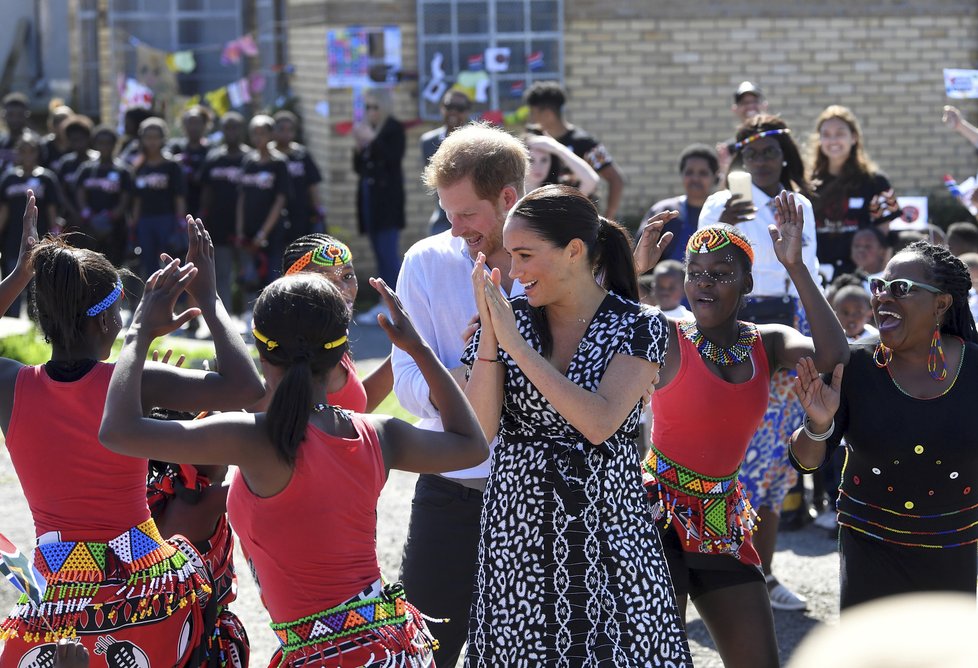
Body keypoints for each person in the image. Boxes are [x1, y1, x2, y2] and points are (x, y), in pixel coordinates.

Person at [98, 267, 490, 668]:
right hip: (391, 650)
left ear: (261, 350)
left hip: (326, 657)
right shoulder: (376, 434)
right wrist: (416, 347)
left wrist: (140, 330)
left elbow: (117, 431)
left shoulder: (252, 438)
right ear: (341, 356)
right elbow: (471, 446)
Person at [0, 203, 265, 665]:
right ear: (106, 322)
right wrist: (210, 297)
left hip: (55, 593)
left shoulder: (12, 388)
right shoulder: (137, 382)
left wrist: (21, 273)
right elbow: (247, 386)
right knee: (213, 602)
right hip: (143, 588)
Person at [463, 184, 691, 665]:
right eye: (509, 254)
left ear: (573, 251)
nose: (514, 270)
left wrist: (516, 348)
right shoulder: (507, 319)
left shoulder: (640, 324)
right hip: (518, 531)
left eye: (525, 254)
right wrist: (490, 336)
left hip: (609, 530)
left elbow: (599, 423)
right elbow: (479, 432)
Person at [641, 198, 848, 667]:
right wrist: (632, 269)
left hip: (723, 516)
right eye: (696, 273)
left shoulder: (767, 340)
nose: (704, 284)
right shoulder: (666, 334)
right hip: (658, 514)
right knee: (663, 659)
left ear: (748, 283)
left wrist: (795, 268)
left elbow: (834, 360)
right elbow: (600, 325)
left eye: (721, 273)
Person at [392, 122, 528, 668]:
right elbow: (406, 385)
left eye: (468, 213)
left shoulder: (566, 259)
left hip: (535, 495)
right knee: (427, 653)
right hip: (451, 491)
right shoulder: (426, 261)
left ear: (509, 198)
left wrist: (475, 373)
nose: (455, 227)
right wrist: (477, 368)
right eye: (448, 213)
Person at [791, 241, 978, 610]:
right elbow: (806, 461)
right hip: (868, 547)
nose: (882, 298)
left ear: (941, 304)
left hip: (954, 548)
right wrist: (818, 424)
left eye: (901, 289)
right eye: (879, 286)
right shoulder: (856, 367)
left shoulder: (975, 369)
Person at [699, 113, 820, 611]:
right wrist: (722, 223)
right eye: (752, 152)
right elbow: (698, 267)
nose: (762, 160)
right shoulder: (718, 203)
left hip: (783, 331)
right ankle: (712, 575)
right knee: (723, 461)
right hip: (728, 330)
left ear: (784, 155)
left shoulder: (798, 205)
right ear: (741, 158)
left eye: (770, 152)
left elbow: (807, 273)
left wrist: (808, 346)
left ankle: (763, 574)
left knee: (772, 465)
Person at [280, 233, 393, 413]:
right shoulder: (299, 345)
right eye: (326, 280)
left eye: (347, 276)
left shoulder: (328, 334)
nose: (343, 289)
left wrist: (407, 349)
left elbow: (351, 407)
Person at [807, 105, 900, 279]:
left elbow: (883, 237)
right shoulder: (806, 184)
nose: (833, 140)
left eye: (840, 133)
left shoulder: (877, 182)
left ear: (854, 137)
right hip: (816, 276)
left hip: (860, 278)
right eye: (826, 134)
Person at [524, 81, 626, 220]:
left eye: (534, 113)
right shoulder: (537, 143)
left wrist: (608, 219)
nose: (531, 119)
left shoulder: (585, 144)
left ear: (548, 114)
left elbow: (616, 179)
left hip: (580, 222)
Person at [352, 89, 405, 324]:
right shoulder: (370, 131)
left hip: (387, 202)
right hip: (369, 199)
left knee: (388, 254)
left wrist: (372, 141)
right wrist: (358, 147)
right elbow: (359, 168)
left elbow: (393, 158)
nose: (371, 112)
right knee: (378, 253)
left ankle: (394, 304)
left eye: (375, 107)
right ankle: (384, 300)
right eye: (367, 107)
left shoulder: (393, 129)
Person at [0, 133, 61, 317]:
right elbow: (4, 211)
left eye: (31, 151)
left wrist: (54, 236)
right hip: (13, 240)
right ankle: (12, 327)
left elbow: (52, 211)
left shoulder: (46, 178)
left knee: (37, 287)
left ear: (38, 153)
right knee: (13, 281)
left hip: (39, 239)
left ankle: (34, 328)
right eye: (23, 151)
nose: (27, 155)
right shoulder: (9, 177)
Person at [637, 144, 720, 265]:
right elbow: (638, 259)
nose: (695, 178)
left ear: (715, 177)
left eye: (703, 173)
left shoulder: (721, 212)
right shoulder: (664, 212)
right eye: (689, 172)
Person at [236, 114, 290, 300]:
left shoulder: (279, 163)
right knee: (250, 276)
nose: (258, 137)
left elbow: (280, 200)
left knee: (272, 277)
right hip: (250, 231)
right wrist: (240, 230)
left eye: (262, 133)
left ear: (271, 134)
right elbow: (242, 197)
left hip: (271, 232)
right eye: (254, 133)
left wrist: (263, 233)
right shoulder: (248, 161)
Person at [200, 111, 248, 311]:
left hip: (246, 227)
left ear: (242, 130)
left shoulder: (250, 158)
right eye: (227, 127)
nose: (231, 132)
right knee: (222, 274)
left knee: (247, 273)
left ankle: (250, 316)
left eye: (235, 127)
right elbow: (206, 191)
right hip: (218, 225)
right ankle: (225, 317)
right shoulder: (214, 158)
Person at [131, 117, 187, 281]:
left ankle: (177, 302)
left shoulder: (172, 165)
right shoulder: (139, 166)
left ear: (163, 138)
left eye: (156, 137)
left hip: (167, 219)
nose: (152, 141)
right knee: (149, 264)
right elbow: (136, 199)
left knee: (171, 263)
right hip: (145, 221)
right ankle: (154, 301)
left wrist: (180, 223)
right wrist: (134, 224)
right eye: (148, 137)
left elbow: (179, 196)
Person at [73, 125, 133, 265]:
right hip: (90, 225)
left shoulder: (123, 171)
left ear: (114, 144)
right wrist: (86, 213)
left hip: (115, 227)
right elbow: (80, 192)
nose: (105, 146)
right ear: (95, 144)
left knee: (115, 265)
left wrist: (112, 215)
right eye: (101, 142)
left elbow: (126, 198)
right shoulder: (86, 169)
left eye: (108, 143)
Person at [420, 90, 471, 235]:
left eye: (459, 108)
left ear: (467, 111)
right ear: (442, 108)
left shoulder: (476, 140)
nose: (453, 112)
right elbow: (432, 180)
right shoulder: (428, 141)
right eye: (449, 106)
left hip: (470, 213)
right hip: (442, 215)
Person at [273, 110, 325, 244]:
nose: (286, 133)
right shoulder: (269, 157)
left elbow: (312, 184)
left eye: (290, 129)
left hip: (301, 214)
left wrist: (318, 210)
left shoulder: (301, 155)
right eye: (281, 129)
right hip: (275, 216)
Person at [716, 81, 768, 186]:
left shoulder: (778, 140)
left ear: (764, 105)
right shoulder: (729, 149)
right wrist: (726, 169)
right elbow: (723, 191)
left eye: (755, 101)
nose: (750, 106)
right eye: (744, 103)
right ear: (735, 109)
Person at [522, 127, 599, 195]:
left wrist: (558, 149)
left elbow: (591, 181)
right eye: (531, 160)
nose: (538, 168)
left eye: (544, 160)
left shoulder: (560, 193)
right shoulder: (512, 192)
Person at [167, 105, 212, 218]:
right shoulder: (174, 147)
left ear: (205, 125)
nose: (193, 127)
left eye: (197, 122)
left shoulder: (212, 150)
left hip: (204, 208)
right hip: (175, 208)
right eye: (189, 122)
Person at [0, 93, 31, 174]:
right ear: (3, 116)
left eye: (19, 115)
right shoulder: (1, 142)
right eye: (10, 115)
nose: (15, 120)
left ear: (26, 115)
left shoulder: (35, 144)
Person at [40, 103, 75, 168]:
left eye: (65, 121)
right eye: (57, 121)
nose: (61, 125)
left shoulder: (78, 145)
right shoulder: (44, 146)